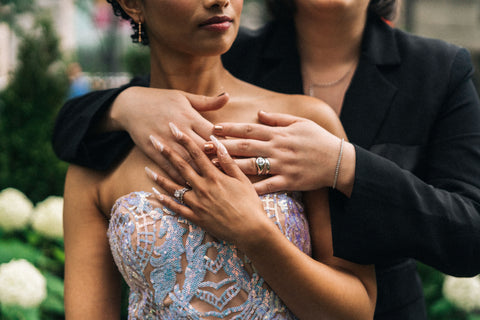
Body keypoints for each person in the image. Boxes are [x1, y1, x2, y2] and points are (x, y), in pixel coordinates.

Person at [54, 0, 480, 318]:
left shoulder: (436, 72)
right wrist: (125, 104)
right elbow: (73, 125)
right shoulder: (112, 144)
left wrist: (341, 167)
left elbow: (469, 231)